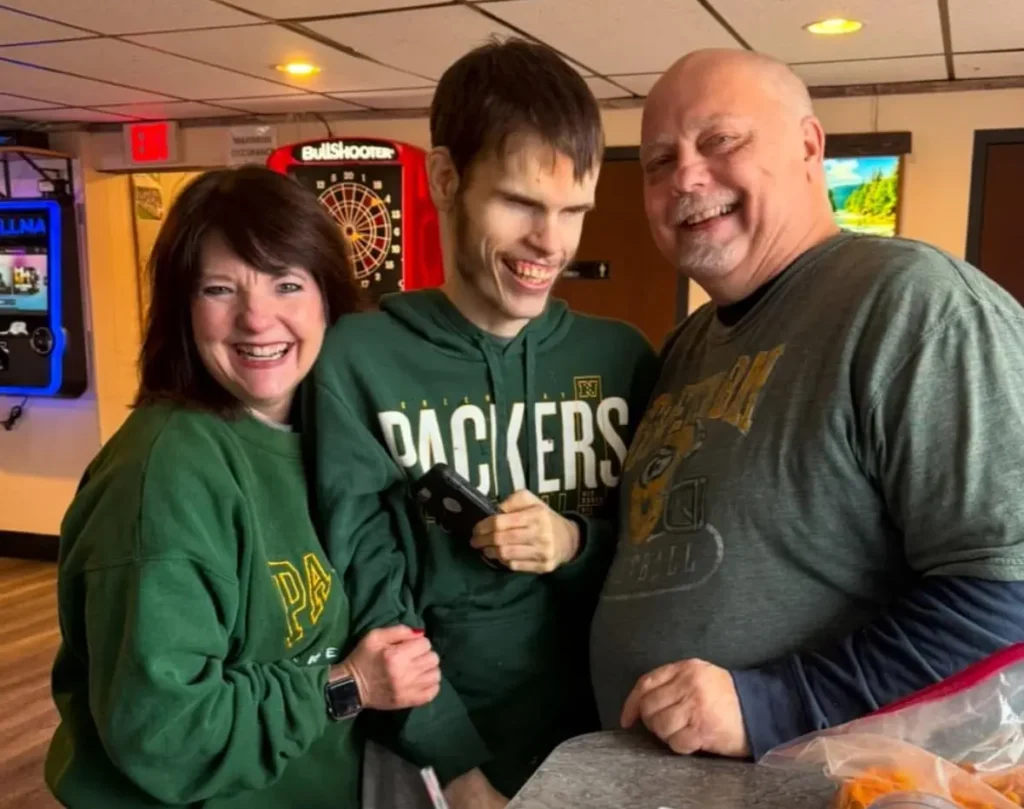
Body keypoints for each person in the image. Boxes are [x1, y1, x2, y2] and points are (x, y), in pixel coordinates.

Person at [590, 47, 1024, 763]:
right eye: (659, 162)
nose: (685, 178)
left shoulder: (915, 305)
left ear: (808, 146)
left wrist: (776, 702)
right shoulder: (688, 345)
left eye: (720, 141)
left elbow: (1007, 598)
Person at [305, 38, 659, 807]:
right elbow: (367, 588)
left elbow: (666, 560)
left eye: (573, 212)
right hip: (427, 764)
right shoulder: (358, 359)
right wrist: (461, 776)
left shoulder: (624, 358)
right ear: (445, 179)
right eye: (521, 203)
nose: (550, 243)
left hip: (612, 748)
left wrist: (571, 541)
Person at [44, 166, 441, 809]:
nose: (257, 319)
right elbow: (165, 733)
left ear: (328, 298)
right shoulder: (164, 475)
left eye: (287, 283)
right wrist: (348, 687)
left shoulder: (319, 439)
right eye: (220, 288)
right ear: (182, 308)